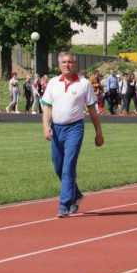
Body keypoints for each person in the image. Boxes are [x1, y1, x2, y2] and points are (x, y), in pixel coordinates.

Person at [42, 52, 103, 217]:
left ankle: (64, 205)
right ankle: (76, 195)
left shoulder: (84, 84)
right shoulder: (53, 83)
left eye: (70, 62)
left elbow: (92, 111)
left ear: (75, 64)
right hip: (57, 128)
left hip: (75, 129)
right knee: (58, 166)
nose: (66, 65)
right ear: (59, 64)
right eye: (63, 62)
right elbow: (47, 107)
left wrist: (99, 133)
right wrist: (46, 126)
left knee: (69, 167)